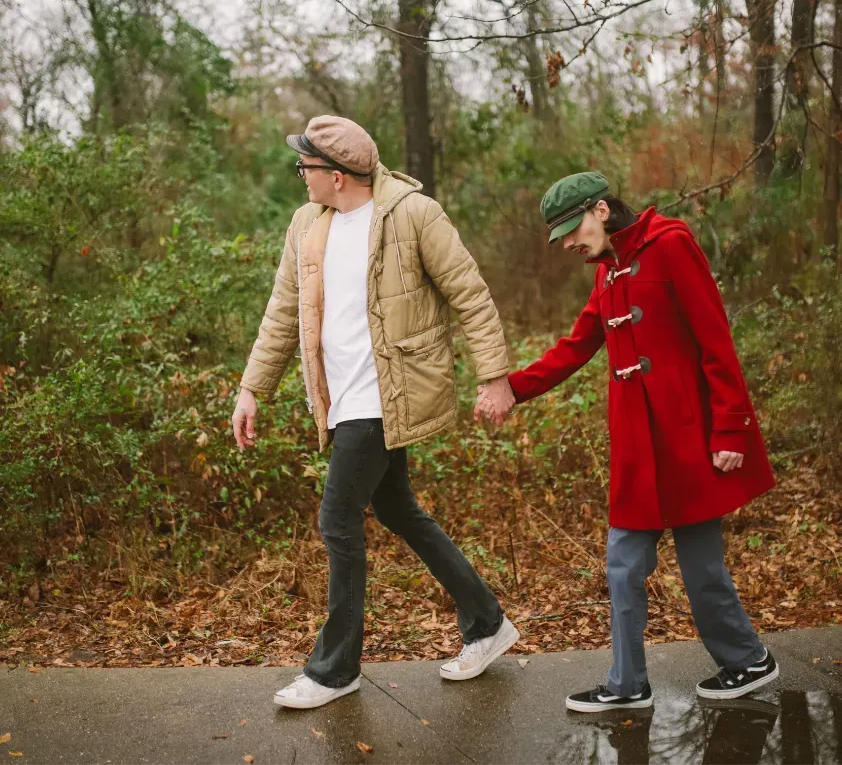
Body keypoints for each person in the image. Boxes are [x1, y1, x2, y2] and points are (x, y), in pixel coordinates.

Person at [232, 115, 518, 709]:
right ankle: (488, 623)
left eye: (305, 167)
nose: (300, 177)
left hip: (387, 397)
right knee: (399, 509)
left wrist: (495, 376)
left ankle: (335, 670)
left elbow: (470, 292)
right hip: (344, 400)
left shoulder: (413, 215)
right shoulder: (307, 224)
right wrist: (251, 387)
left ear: (337, 176)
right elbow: (284, 309)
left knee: (337, 520)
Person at [475, 171, 778, 712]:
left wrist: (730, 427)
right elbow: (574, 347)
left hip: (690, 439)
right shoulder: (609, 271)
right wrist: (510, 389)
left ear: (601, 210)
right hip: (639, 445)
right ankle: (627, 683)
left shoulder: (672, 245)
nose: (569, 243)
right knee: (623, 562)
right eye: (562, 235)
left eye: (572, 229)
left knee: (702, 567)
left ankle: (747, 660)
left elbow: (715, 339)